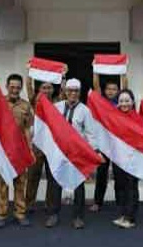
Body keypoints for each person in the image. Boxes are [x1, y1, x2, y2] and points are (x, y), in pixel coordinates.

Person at [0, 74, 33, 228]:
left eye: (18, 87)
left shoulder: (26, 106)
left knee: (20, 183)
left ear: (21, 88)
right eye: (12, 87)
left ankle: (20, 213)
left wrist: (29, 149)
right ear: (6, 86)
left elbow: (28, 129)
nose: (15, 90)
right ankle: (1, 214)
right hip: (3, 151)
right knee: (2, 184)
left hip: (20, 151)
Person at [47, 79, 96, 229]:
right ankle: (53, 214)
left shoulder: (85, 110)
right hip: (58, 152)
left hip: (77, 153)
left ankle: (78, 217)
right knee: (55, 183)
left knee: (78, 185)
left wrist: (92, 153)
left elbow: (90, 134)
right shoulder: (55, 107)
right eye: (70, 90)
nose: (73, 93)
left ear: (79, 93)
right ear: (65, 92)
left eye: (76, 91)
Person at [89, 72, 127, 213]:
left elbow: (125, 87)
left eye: (114, 89)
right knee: (101, 174)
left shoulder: (121, 103)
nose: (111, 91)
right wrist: (96, 70)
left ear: (118, 91)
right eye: (108, 89)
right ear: (105, 91)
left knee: (119, 175)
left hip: (118, 145)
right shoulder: (101, 102)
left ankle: (120, 203)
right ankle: (97, 203)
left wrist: (123, 72)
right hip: (104, 144)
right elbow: (96, 86)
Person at [25, 76, 61, 214]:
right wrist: (30, 72)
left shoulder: (58, 102)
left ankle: (49, 204)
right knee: (33, 175)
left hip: (53, 145)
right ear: (39, 90)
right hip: (37, 145)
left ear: (53, 89)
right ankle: (29, 204)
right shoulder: (36, 100)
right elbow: (28, 86)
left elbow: (64, 89)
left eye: (49, 87)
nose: (46, 90)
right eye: (43, 87)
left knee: (52, 176)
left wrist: (62, 76)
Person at [111, 89, 142, 229]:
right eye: (121, 101)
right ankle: (123, 214)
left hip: (133, 160)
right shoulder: (114, 118)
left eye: (127, 101)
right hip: (118, 160)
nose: (124, 103)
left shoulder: (138, 119)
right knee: (120, 187)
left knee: (131, 188)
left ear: (132, 102)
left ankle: (130, 217)